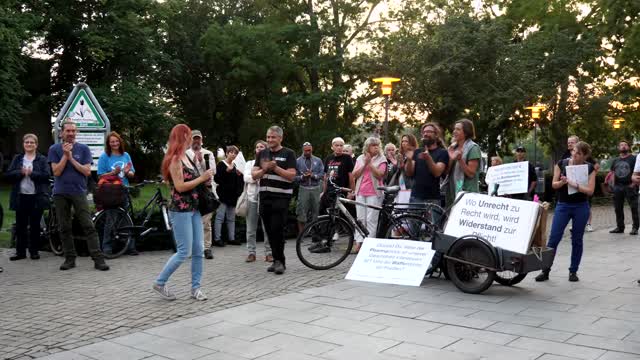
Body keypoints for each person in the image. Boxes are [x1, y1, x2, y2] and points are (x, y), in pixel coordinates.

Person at [153, 124, 213, 301]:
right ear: (183, 137)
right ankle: (160, 282)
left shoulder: (187, 157)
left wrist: (203, 175)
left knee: (198, 249)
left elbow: (192, 181)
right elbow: (179, 186)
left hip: (193, 208)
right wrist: (202, 178)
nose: (191, 138)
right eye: (188, 135)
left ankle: (196, 289)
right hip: (180, 210)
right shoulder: (174, 160)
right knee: (184, 251)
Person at [48, 121, 109, 271]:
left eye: (73, 131)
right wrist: (65, 156)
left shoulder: (83, 149)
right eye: (68, 131)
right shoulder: (54, 149)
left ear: (77, 133)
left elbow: (87, 172)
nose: (71, 133)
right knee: (64, 227)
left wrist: (71, 158)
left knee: (88, 225)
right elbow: (56, 172)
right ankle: (70, 259)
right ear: (61, 133)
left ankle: (98, 259)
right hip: (60, 193)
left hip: (79, 191)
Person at [535, 141, 596, 283]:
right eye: (574, 151)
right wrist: (562, 183)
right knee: (554, 238)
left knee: (577, 239)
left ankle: (573, 271)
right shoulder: (562, 163)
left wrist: (574, 185)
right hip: (563, 205)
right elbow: (554, 184)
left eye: (579, 153)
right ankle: (545, 270)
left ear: (585, 156)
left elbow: (590, 191)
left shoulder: (589, 168)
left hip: (581, 206)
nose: (574, 154)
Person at [252, 126, 296, 275]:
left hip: (281, 197)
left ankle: (280, 261)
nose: (270, 140)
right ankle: (276, 259)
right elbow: (254, 175)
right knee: (269, 231)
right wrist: (264, 169)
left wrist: (275, 168)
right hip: (264, 197)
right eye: (268, 137)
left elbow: (291, 176)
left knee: (277, 229)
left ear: (280, 138)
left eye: (273, 137)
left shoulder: (289, 153)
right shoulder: (262, 153)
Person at [6, 134, 50, 261]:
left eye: (32, 142)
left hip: (36, 197)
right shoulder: (18, 158)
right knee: (21, 226)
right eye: (27, 142)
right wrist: (20, 172)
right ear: (23, 144)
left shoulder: (42, 159)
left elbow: (46, 176)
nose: (29, 144)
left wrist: (32, 174)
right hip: (20, 196)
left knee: (35, 226)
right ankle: (20, 252)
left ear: (36, 144)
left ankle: (34, 251)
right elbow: (9, 174)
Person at [97, 131, 138, 255]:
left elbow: (132, 173)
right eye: (112, 142)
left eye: (116, 141)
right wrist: (113, 173)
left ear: (120, 142)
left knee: (127, 218)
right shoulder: (105, 156)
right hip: (111, 191)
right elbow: (100, 175)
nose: (115, 143)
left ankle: (130, 246)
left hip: (124, 189)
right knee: (111, 218)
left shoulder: (126, 155)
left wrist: (127, 172)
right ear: (108, 144)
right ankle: (107, 247)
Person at [351, 136, 387, 253]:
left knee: (371, 219)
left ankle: (370, 244)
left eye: (377, 145)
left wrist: (370, 164)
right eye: (373, 145)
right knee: (360, 219)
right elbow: (354, 175)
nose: (376, 147)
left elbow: (380, 175)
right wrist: (364, 164)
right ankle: (359, 243)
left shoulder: (382, 159)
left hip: (374, 192)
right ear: (368, 147)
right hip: (360, 191)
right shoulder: (360, 158)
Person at [186, 130, 217, 259]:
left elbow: (213, 171)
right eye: (194, 139)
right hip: (191, 190)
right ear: (190, 140)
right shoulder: (185, 154)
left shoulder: (207, 154)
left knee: (206, 220)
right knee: (191, 219)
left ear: (202, 140)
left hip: (206, 190)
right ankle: (193, 248)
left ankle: (207, 248)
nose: (196, 141)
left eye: (198, 139)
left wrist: (201, 162)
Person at [406, 123, 449, 207]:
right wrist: (409, 160)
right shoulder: (417, 151)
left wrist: (428, 158)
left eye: (429, 131)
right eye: (424, 132)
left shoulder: (443, 153)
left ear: (436, 135)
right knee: (413, 220)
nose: (425, 134)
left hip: (433, 199)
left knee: (431, 221)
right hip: (415, 197)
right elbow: (409, 173)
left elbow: (437, 173)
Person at [243, 140, 272, 262]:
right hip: (252, 198)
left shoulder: (270, 163)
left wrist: (256, 176)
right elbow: (246, 177)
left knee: (267, 228)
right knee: (250, 228)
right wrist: (257, 177)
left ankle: (269, 253)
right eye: (257, 147)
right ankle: (251, 252)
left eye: (262, 147)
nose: (259, 148)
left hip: (266, 199)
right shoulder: (249, 163)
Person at [446, 119, 482, 206]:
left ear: (466, 132)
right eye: (454, 129)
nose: (454, 131)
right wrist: (450, 157)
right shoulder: (452, 148)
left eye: (458, 129)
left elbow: (471, 173)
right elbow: (446, 172)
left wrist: (460, 159)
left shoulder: (473, 148)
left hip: (467, 193)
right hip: (452, 192)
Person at [213, 145, 244, 246]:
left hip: (233, 196)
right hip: (222, 196)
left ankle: (232, 238)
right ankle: (217, 239)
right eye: (231, 152)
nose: (233, 154)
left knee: (231, 218)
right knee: (220, 217)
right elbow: (217, 179)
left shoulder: (236, 166)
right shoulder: (221, 164)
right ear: (227, 153)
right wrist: (227, 171)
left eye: (235, 153)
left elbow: (238, 182)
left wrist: (240, 175)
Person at [608, 140, 638, 235]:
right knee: (618, 208)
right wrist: (612, 185)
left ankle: (635, 228)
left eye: (625, 145)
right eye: (621, 145)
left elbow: (638, 171)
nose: (623, 146)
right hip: (618, 187)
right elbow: (612, 173)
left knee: (634, 208)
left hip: (630, 186)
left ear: (628, 147)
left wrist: (633, 184)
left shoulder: (634, 159)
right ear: (618, 148)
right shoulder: (615, 160)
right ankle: (620, 227)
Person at [295, 142, 324, 234]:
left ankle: (316, 235)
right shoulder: (298, 161)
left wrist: (313, 176)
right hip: (304, 188)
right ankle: (302, 234)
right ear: (302, 150)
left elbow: (322, 174)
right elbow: (294, 177)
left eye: (309, 150)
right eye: (306, 150)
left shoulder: (318, 160)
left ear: (312, 149)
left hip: (316, 188)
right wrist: (303, 177)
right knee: (301, 212)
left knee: (316, 211)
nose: (308, 152)